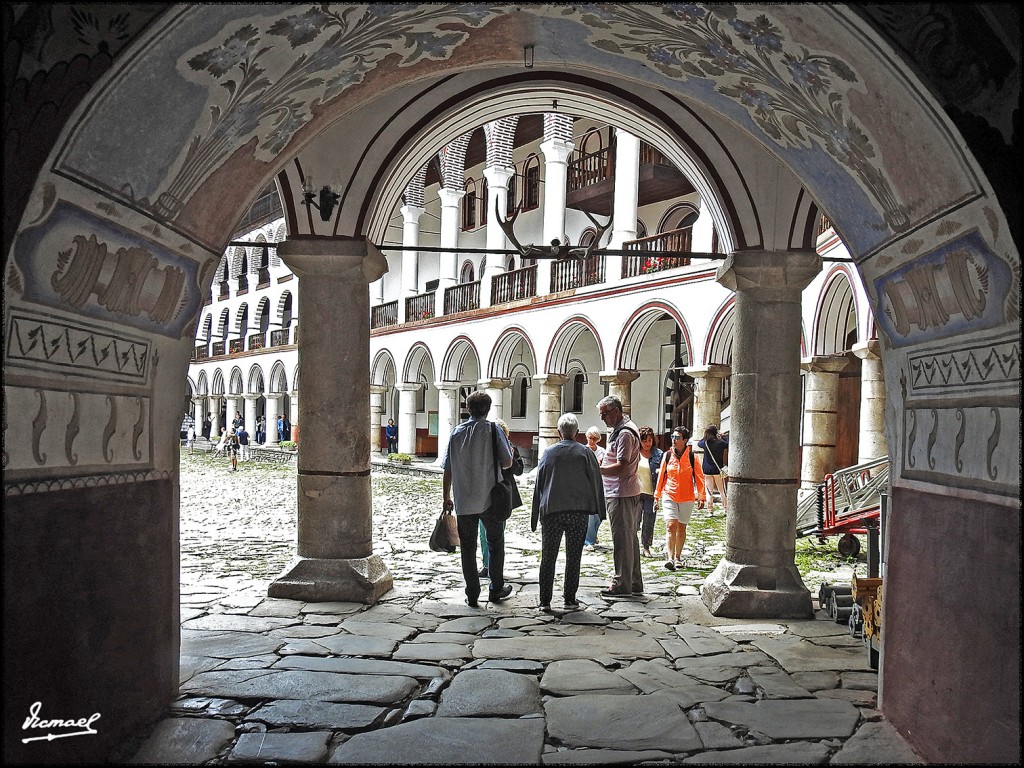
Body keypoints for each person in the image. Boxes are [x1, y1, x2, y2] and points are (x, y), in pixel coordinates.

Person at [441, 391, 514, 607]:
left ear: (468, 408)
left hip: (464, 500)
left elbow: (448, 468)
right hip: (490, 498)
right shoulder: (493, 430)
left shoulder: (456, 433)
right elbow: (508, 461)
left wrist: (446, 496)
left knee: (468, 548)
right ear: (488, 409)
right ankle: (496, 587)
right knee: (495, 544)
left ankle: (472, 592)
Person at [531, 413, 606, 612]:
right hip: (578, 512)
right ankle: (569, 598)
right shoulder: (585, 453)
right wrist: (600, 510)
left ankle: (545, 600)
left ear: (558, 432)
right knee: (574, 556)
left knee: (548, 556)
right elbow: (596, 480)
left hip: (552, 511)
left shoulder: (549, 453)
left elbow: (540, 483)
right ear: (577, 433)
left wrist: (535, 513)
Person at [596, 394, 643, 598]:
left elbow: (623, 467)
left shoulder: (624, 433)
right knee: (629, 538)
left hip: (621, 492)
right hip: (624, 491)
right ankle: (633, 580)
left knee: (622, 539)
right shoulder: (623, 429)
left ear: (616, 411)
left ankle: (621, 583)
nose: (603, 419)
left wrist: (600, 470)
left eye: (604, 414)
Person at [654, 426, 706, 570]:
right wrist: (656, 495)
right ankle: (670, 558)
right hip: (669, 494)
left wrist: (701, 496)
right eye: (672, 437)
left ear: (684, 440)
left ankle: (678, 557)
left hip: (687, 497)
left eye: (677, 438)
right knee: (671, 526)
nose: (673, 440)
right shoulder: (667, 455)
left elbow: (699, 477)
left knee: (681, 528)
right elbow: (661, 476)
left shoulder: (692, 457)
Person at [479, 419, 523, 578]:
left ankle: (495, 566)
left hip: (502, 495)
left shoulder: (511, 448)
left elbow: (519, 471)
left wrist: (511, 458)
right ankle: (487, 564)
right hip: (485, 493)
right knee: (482, 533)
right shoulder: (485, 448)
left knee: (498, 533)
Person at [637, 426, 664, 558]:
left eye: (649, 440)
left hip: (651, 493)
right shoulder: (633, 453)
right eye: (644, 441)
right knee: (634, 522)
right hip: (635, 493)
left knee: (648, 522)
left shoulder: (658, 454)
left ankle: (646, 547)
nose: (647, 444)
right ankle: (631, 545)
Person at [698, 424, 730, 514]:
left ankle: (710, 510)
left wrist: (705, 436)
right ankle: (726, 509)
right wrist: (723, 436)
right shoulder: (720, 443)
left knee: (709, 491)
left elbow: (698, 443)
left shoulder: (705, 443)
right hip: (717, 469)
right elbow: (727, 444)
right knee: (722, 490)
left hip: (707, 470)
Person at [583, 426, 606, 550]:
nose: (592, 440)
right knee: (591, 515)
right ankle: (588, 540)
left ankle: (593, 534)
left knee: (599, 514)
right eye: (590, 438)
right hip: (587, 485)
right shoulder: (583, 450)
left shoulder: (602, 451)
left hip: (600, 484)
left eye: (595, 438)